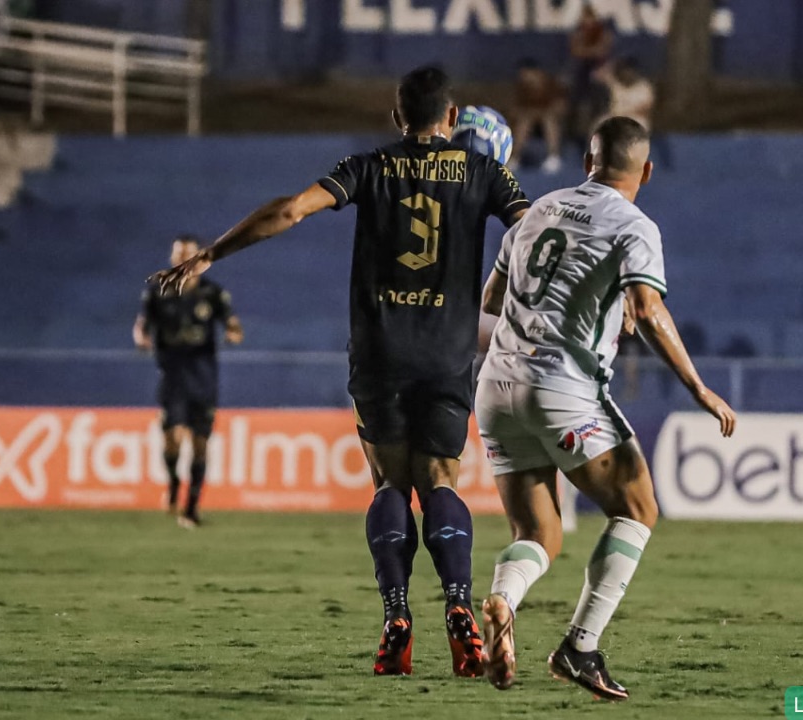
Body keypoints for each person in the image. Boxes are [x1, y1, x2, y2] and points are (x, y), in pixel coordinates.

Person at [150, 66, 530, 678]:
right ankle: (459, 606)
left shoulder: (370, 165)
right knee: (441, 482)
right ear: (452, 120)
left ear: (396, 118)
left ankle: (397, 616)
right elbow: (536, 232)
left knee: (389, 485)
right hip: (446, 354)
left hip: (380, 353)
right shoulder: (486, 173)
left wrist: (210, 255)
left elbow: (291, 211)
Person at [474, 117, 737, 701]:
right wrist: (698, 388)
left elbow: (491, 301)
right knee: (638, 506)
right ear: (645, 170)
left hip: (495, 387)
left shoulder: (538, 209)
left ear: (588, 160)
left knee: (538, 530)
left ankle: (502, 602)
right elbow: (647, 310)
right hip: (561, 388)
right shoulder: (634, 225)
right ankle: (580, 647)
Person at [133, 235, 243, 529]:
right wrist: (141, 338)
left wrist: (233, 332)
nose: (182, 259)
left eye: (188, 254)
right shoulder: (158, 292)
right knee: (172, 439)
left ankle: (191, 509)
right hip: (172, 375)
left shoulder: (213, 293)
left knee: (199, 443)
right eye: (178, 253)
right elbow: (142, 325)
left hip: (203, 377)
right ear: (172, 257)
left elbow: (232, 322)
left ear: (199, 259)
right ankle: (172, 483)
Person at [567, 4, 613, 149]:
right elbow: (577, 51)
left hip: (599, 76)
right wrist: (589, 51)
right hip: (581, 75)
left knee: (599, 110)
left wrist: (589, 51)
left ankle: (596, 142)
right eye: (585, 18)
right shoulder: (578, 34)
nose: (588, 22)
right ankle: (574, 137)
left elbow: (602, 50)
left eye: (590, 18)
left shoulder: (604, 33)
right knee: (578, 107)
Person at [509, 58, 565, 173]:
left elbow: (560, 106)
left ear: (535, 72)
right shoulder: (521, 86)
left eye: (526, 74)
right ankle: (514, 158)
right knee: (523, 123)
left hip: (548, 117)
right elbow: (515, 108)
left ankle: (553, 157)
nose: (524, 77)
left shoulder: (551, 83)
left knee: (549, 121)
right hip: (529, 118)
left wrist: (543, 113)